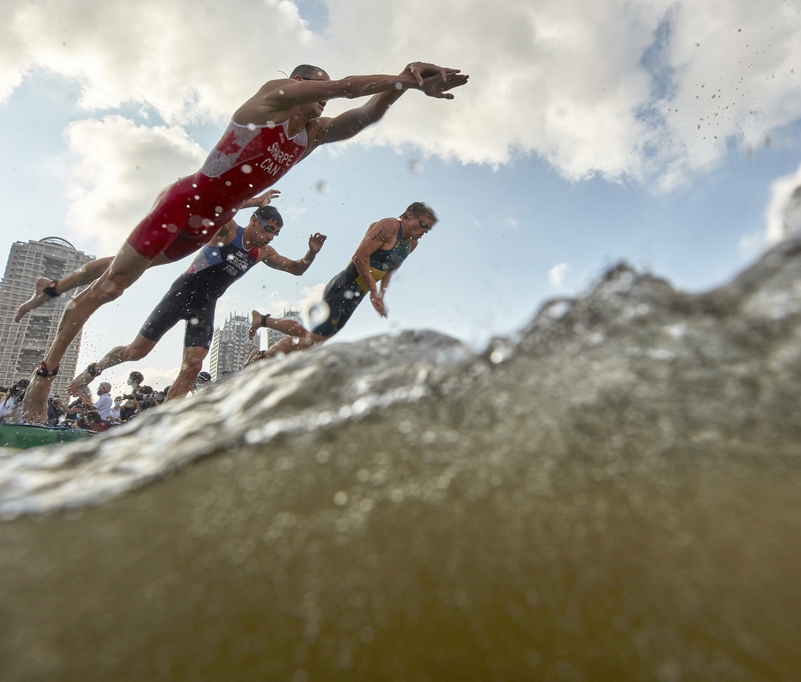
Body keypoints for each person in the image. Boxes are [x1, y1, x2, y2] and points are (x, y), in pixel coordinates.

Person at [18, 61, 468, 422]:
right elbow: (348, 90)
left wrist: (404, 84)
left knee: (129, 274)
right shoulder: (271, 100)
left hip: (207, 224)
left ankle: (60, 294)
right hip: (184, 202)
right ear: (299, 84)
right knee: (113, 287)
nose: (322, 97)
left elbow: (364, 114)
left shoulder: (310, 136)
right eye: (318, 87)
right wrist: (399, 76)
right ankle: (46, 373)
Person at [68, 204, 325, 401]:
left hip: (205, 305)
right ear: (253, 221)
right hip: (181, 293)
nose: (271, 237)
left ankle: (164, 422)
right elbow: (219, 206)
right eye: (269, 229)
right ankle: (93, 370)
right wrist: (253, 200)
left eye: (276, 233)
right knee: (136, 352)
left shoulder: (263, 253)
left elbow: (296, 269)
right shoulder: (229, 230)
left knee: (193, 365)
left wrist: (311, 253)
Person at [246, 202, 435, 365]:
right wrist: (373, 291)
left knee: (311, 341)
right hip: (345, 285)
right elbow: (359, 257)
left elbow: (390, 268)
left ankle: (262, 356)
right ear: (409, 215)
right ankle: (262, 323)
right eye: (423, 224)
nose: (425, 231)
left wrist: (381, 294)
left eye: (428, 228)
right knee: (310, 336)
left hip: (358, 292)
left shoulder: (411, 244)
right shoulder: (390, 226)